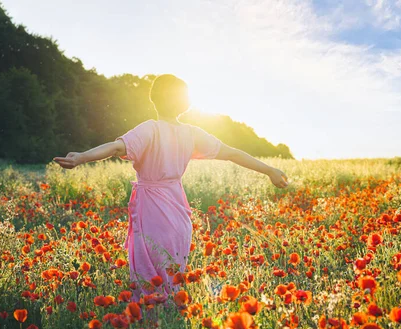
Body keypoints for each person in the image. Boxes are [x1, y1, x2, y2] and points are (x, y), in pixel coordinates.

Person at [54, 74, 288, 298]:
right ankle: (169, 322)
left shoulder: (150, 129)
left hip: (152, 211)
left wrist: (82, 157)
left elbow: (116, 148)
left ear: (154, 100)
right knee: (172, 276)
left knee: (150, 278)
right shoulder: (192, 134)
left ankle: (150, 326)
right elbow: (232, 153)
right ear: (184, 103)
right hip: (177, 214)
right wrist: (269, 170)